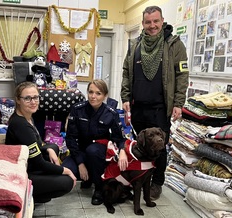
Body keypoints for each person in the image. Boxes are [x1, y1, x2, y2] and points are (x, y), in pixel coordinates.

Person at [120, 6, 189, 201]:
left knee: (159, 146)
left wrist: (178, 103)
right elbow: (126, 73)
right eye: (148, 22)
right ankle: (139, 180)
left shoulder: (174, 44)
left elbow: (182, 75)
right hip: (138, 106)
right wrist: (125, 98)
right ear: (143, 23)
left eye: (155, 21)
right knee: (140, 146)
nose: (152, 26)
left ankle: (157, 182)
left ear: (162, 21)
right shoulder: (134, 44)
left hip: (161, 108)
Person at [5, 81, 76, 203]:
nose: (33, 102)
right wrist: (66, 171)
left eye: (36, 97)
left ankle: (41, 189)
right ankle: (32, 196)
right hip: (24, 173)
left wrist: (48, 149)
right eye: (27, 98)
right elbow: (39, 163)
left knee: (53, 147)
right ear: (18, 100)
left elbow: (34, 146)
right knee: (67, 181)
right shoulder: (21, 126)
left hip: (29, 161)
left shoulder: (27, 116)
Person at [64, 79, 127, 205]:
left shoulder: (110, 113)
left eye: (98, 93)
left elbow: (119, 138)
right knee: (66, 172)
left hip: (99, 151)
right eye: (91, 92)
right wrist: (80, 163)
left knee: (92, 151)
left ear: (105, 95)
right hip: (80, 151)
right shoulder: (77, 109)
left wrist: (122, 151)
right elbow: (70, 138)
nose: (93, 96)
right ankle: (89, 177)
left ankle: (98, 188)